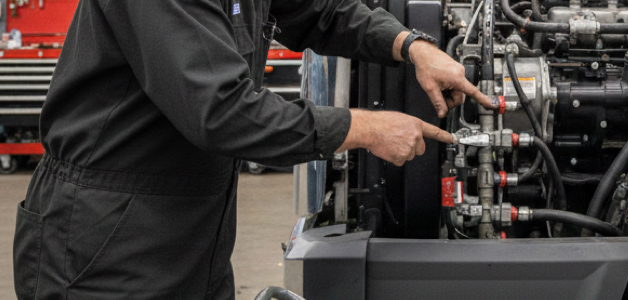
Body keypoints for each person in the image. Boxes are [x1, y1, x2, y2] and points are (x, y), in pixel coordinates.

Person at [12, 0, 491, 298]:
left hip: (194, 239)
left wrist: (411, 45)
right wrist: (366, 128)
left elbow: (319, 12)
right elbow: (222, 113)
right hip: (107, 243)